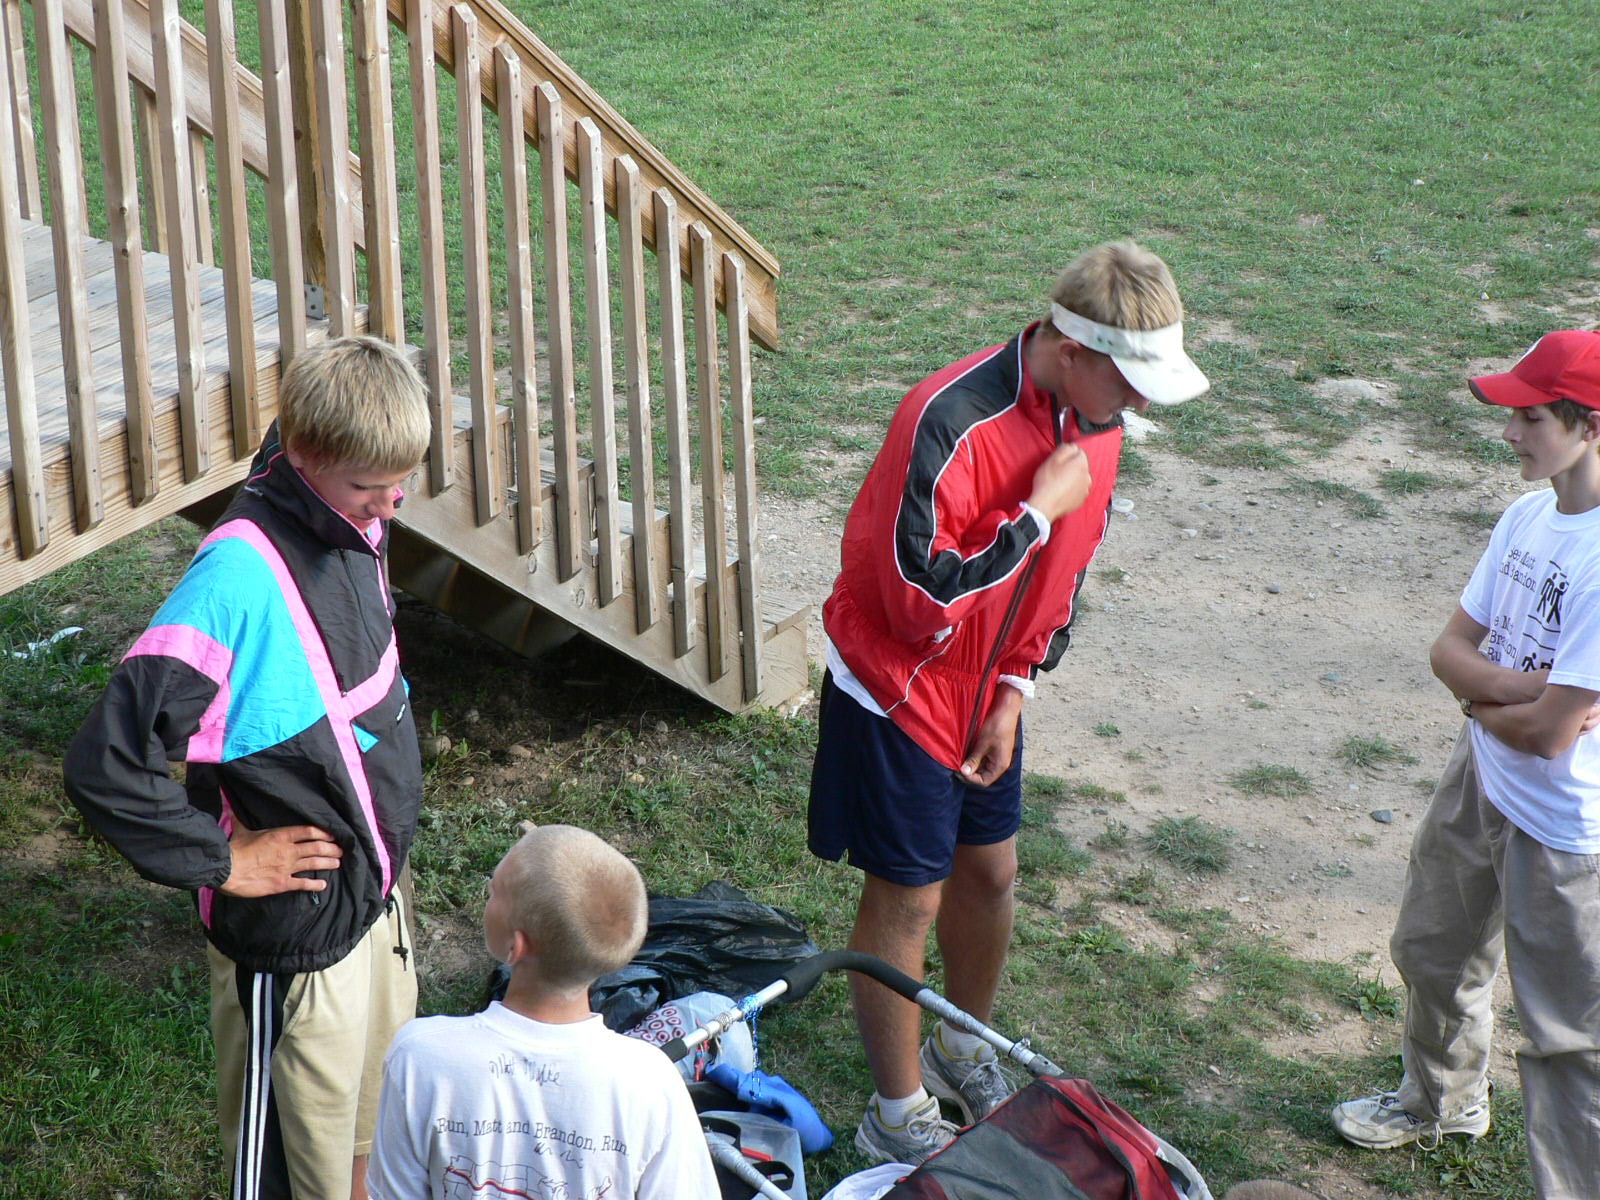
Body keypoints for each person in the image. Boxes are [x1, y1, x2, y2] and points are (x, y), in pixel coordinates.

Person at [808, 240, 1210, 1164]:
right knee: (908, 899)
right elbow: (916, 601)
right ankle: (896, 1114)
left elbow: (1067, 573)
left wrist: (1018, 687)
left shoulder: (1099, 420)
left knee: (989, 874)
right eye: (1131, 382)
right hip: (900, 686)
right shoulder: (945, 419)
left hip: (988, 689)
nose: (1142, 405)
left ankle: (958, 1048)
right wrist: (1032, 514)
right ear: (1071, 351)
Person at [64, 336, 432, 1200]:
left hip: (371, 898)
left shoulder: (352, 510)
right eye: (370, 487)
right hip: (296, 941)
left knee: (373, 1134)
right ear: (304, 454)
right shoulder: (235, 576)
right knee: (295, 1169)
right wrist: (225, 861)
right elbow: (104, 762)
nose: (391, 505)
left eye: (401, 481)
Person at [1331, 329, 1600, 1199]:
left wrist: (1483, 700)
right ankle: (1440, 1103)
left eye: (1530, 417)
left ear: (1591, 425)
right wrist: (1505, 696)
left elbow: (1551, 735)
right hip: (1480, 776)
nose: (1509, 433)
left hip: (1566, 830)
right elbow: (1449, 649)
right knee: (1432, 949)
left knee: (1568, 1037)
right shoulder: (1527, 517)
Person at [365, 825, 718, 1199]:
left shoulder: (421, 1056)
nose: (488, 895)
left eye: (494, 892)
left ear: (515, 946)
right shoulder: (651, 1080)